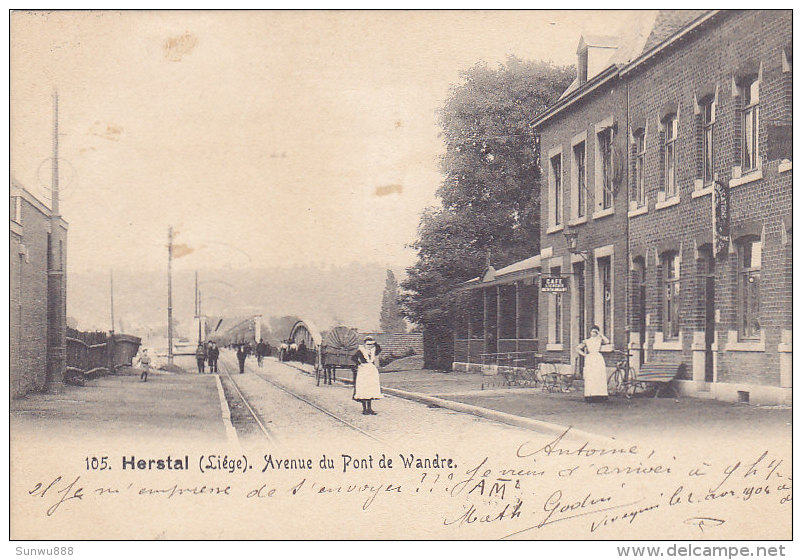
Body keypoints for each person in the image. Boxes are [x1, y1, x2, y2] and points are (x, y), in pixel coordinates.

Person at [576, 325, 610, 403]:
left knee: (599, 375)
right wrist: (584, 355)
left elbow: (607, 341)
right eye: (592, 331)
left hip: (598, 358)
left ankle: (600, 395)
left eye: (595, 332)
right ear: (590, 332)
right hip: (590, 358)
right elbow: (577, 348)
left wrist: (601, 334)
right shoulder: (587, 341)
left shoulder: (599, 340)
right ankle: (590, 395)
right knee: (591, 376)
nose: (593, 333)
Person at [352, 336, 382, 415]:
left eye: (370, 344)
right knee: (364, 388)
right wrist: (359, 364)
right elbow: (353, 358)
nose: (369, 346)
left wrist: (374, 342)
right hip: (363, 370)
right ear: (364, 344)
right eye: (367, 344)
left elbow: (379, 349)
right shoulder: (360, 350)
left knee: (370, 388)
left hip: (371, 370)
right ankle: (364, 409)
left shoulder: (373, 350)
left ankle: (370, 408)